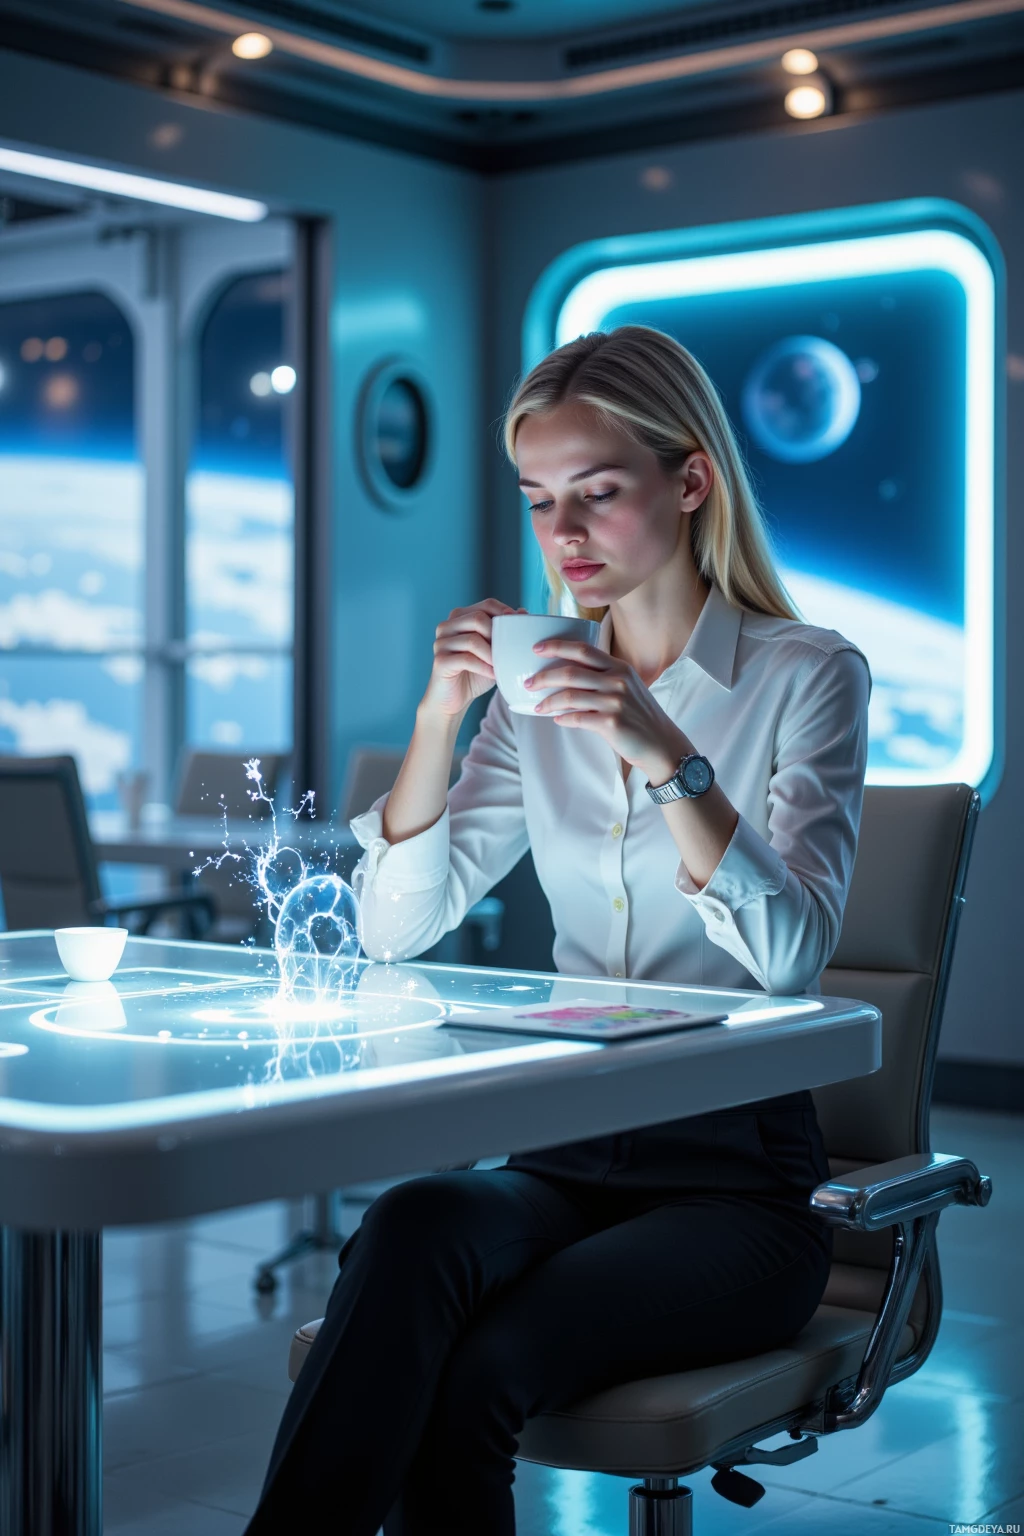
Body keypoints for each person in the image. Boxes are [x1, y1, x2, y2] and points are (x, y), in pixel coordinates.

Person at [245, 325, 870, 1536]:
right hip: (565, 1155)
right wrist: (438, 718)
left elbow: (791, 952)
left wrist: (665, 752)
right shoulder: (537, 689)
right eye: (539, 502)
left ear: (690, 483)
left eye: (598, 493)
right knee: (416, 1220)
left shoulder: (806, 674)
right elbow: (396, 931)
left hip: (738, 1188)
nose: (564, 538)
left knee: (482, 1370)